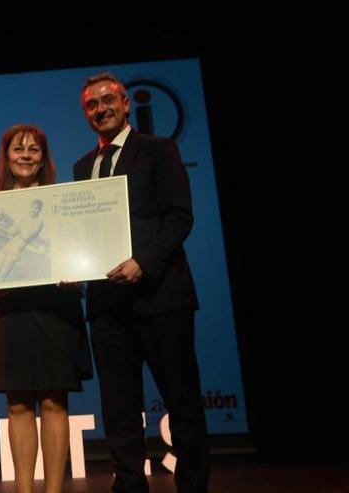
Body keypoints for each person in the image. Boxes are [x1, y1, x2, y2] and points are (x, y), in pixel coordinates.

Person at [72, 72, 209, 493]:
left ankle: (192, 486)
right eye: (92, 105)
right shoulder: (83, 167)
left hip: (161, 298)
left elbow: (179, 218)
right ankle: (129, 486)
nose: (101, 109)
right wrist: (69, 267)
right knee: (119, 409)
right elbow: (81, 233)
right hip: (108, 307)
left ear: (126, 103)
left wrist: (142, 264)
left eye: (107, 99)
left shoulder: (158, 150)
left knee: (181, 402)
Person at [0, 125, 92, 493]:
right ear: (6, 157)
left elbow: (80, 252)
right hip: (12, 314)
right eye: (18, 149)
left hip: (57, 311)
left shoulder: (61, 202)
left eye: (33, 149)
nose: (25, 155)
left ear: (43, 158)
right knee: (18, 404)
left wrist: (76, 270)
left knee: (55, 401)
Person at [0, 199, 45, 283]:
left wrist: (20, 227)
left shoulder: (39, 222)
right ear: (30, 207)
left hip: (15, 252)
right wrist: (17, 227)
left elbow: (26, 237)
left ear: (40, 210)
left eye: (36, 208)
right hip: (7, 247)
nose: (33, 210)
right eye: (32, 207)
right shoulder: (24, 218)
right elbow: (11, 231)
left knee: (1, 277)